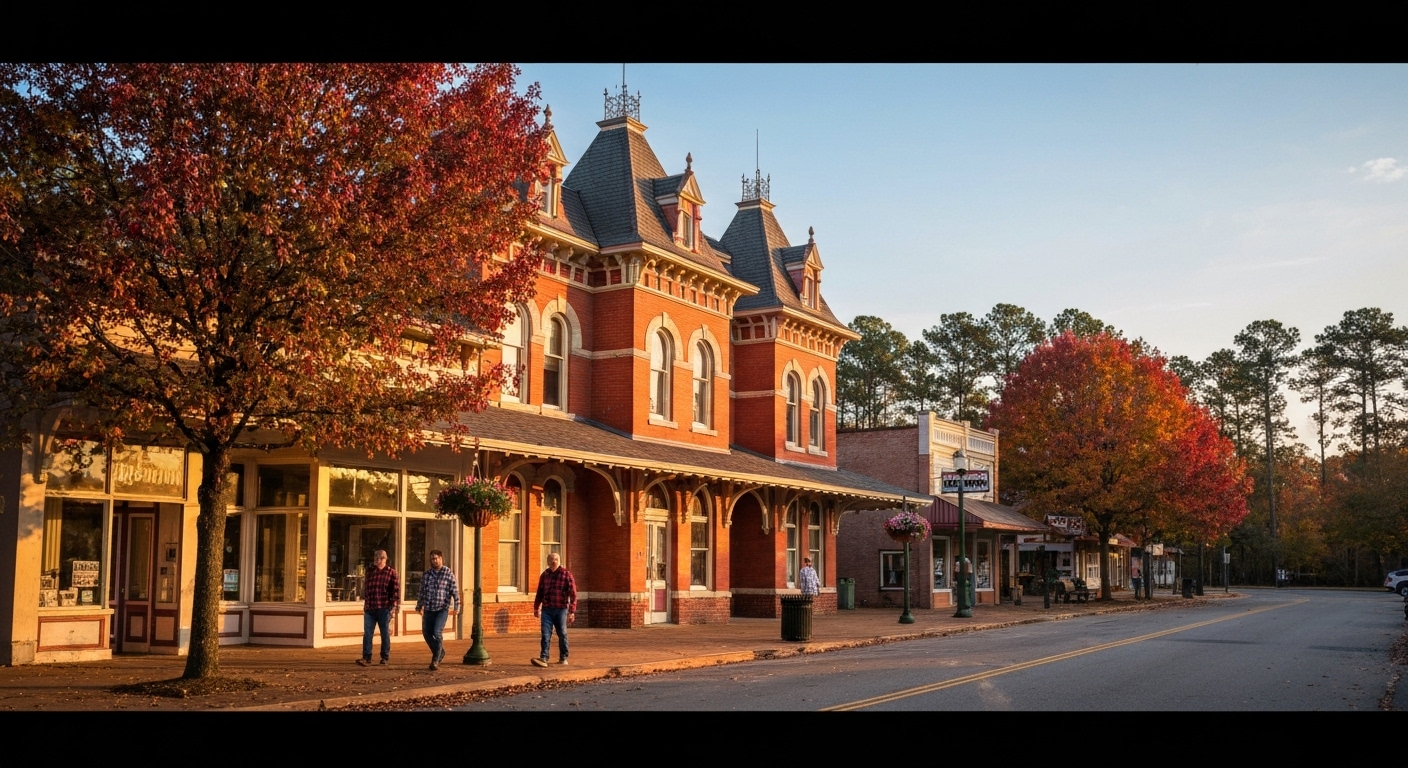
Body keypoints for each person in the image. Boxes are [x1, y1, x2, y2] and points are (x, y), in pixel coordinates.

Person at [415, 549, 460, 670]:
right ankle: (440, 651)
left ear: (441, 558)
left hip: (442, 609)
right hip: (429, 608)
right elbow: (422, 592)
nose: (434, 561)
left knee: (437, 632)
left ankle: (436, 659)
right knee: (426, 633)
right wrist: (419, 606)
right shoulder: (427, 574)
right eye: (432, 559)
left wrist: (457, 606)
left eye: (436, 558)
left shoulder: (447, 573)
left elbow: (454, 592)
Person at [532, 551, 576, 667]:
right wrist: (536, 607)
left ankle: (563, 657)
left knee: (562, 633)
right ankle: (544, 657)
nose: (553, 561)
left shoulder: (566, 574)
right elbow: (540, 593)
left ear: (559, 561)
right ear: (547, 561)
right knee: (545, 634)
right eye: (551, 559)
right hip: (547, 609)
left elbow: (573, 594)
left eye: (556, 559)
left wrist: (572, 611)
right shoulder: (545, 575)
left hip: (561, 609)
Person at [357, 549, 399, 666]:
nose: (376, 560)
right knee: (368, 633)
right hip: (370, 607)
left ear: (384, 559)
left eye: (379, 558)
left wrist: (393, 607)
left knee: (384, 632)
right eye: (375, 557)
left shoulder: (391, 572)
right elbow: (366, 589)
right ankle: (366, 656)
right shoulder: (370, 571)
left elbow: (395, 591)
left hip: (384, 607)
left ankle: (384, 656)